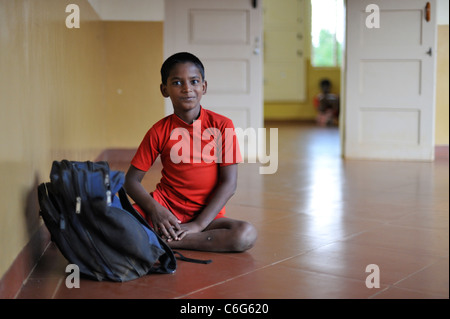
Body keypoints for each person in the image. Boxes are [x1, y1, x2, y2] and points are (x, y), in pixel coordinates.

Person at [124, 52, 257, 252]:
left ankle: (162, 242)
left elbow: (229, 184)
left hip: (207, 217)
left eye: (194, 81)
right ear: (164, 90)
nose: (187, 89)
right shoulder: (158, 131)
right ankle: (164, 236)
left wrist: (198, 225)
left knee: (245, 234)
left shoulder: (222, 126)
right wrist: (156, 210)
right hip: (165, 215)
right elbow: (131, 181)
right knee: (116, 222)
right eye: (177, 83)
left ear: (203, 87)